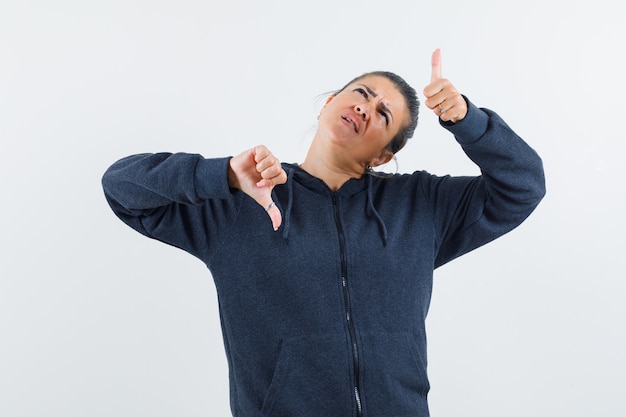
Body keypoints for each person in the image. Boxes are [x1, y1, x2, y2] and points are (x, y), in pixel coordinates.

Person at [101, 49, 545, 417]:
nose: (364, 108)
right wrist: (223, 177)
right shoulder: (243, 204)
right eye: (361, 94)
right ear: (329, 101)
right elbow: (122, 187)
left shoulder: (421, 206)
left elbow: (523, 186)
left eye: (382, 114)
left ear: (384, 156)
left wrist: (469, 121)